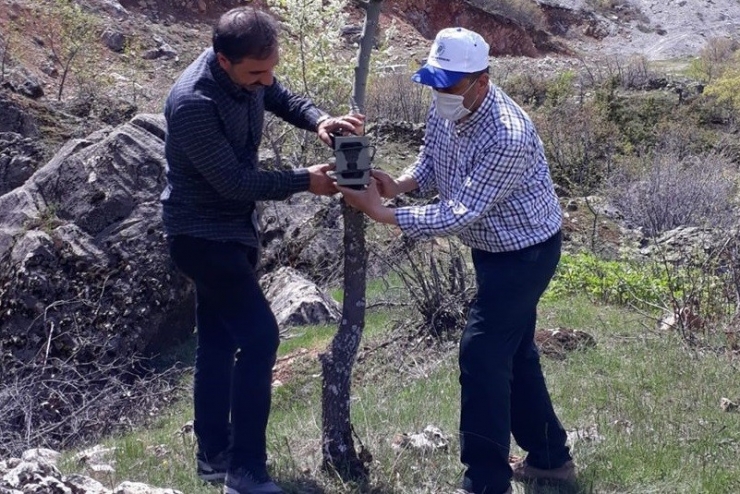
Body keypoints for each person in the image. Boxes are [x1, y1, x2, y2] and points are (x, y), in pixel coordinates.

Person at [338, 27, 575, 494]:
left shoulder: (506, 133)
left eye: (448, 84)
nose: (438, 92)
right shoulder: (449, 98)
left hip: (525, 254)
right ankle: (550, 457)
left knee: (483, 353)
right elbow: (432, 157)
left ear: (481, 81)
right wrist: (401, 184)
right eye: (434, 82)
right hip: (493, 250)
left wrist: (383, 212)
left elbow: (458, 211)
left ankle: (485, 481)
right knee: (514, 354)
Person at [160, 7, 363, 494]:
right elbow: (233, 182)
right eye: (255, 73)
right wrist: (305, 181)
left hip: (233, 234)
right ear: (222, 60)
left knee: (216, 345)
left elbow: (279, 94)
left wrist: (319, 120)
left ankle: (213, 459)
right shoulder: (193, 102)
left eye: (270, 69)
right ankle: (246, 473)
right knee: (259, 337)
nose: (265, 81)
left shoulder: (251, 71)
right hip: (200, 237)